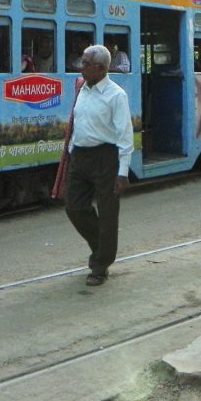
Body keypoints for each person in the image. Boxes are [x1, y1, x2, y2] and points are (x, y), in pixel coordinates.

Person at [64, 44, 134, 287]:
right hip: (80, 157)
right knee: (73, 207)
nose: (80, 68)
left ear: (101, 68)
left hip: (106, 158)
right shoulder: (82, 88)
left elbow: (125, 136)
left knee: (107, 214)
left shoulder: (116, 96)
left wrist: (122, 172)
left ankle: (100, 265)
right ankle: (101, 248)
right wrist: (72, 151)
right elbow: (78, 122)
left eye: (85, 64)